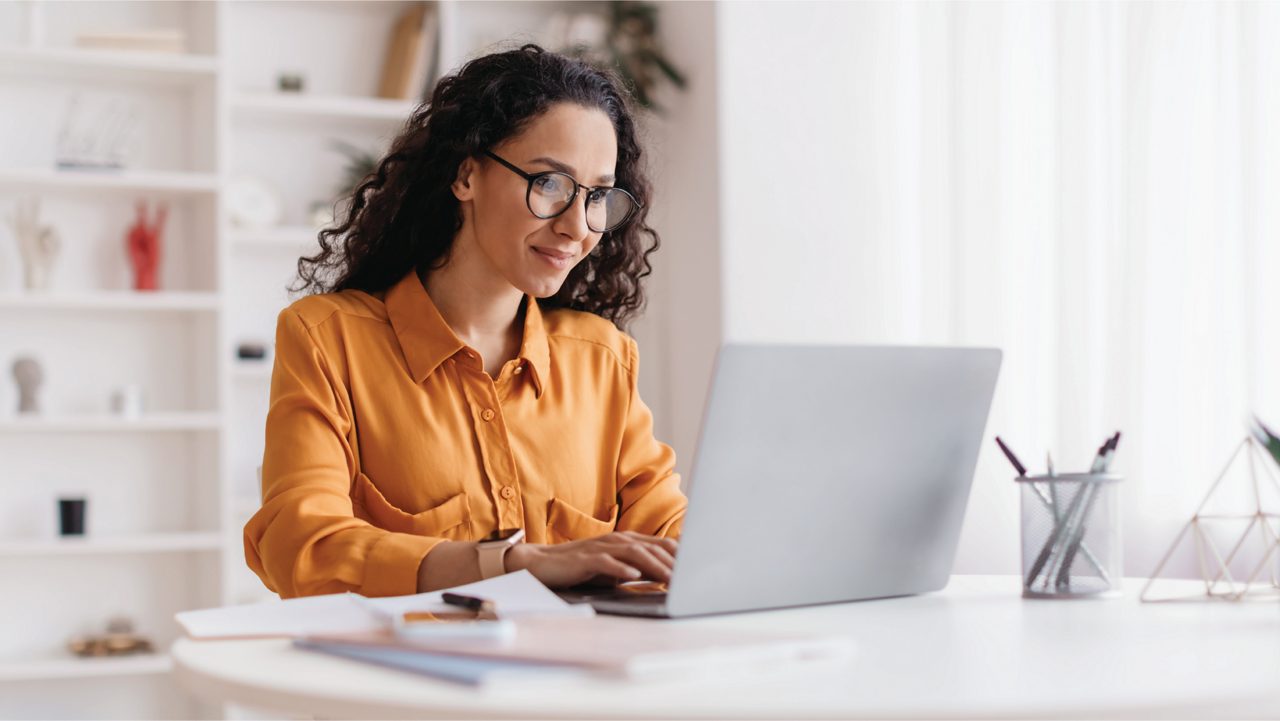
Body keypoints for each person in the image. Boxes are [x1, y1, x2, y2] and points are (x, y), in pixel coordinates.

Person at [243, 45, 686, 599]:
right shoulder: (329, 339)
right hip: (412, 678)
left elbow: (670, 537)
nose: (579, 226)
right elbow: (300, 545)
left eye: (597, 194)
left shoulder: (601, 357)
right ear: (466, 175)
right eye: (549, 182)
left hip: (579, 675)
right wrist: (512, 564)